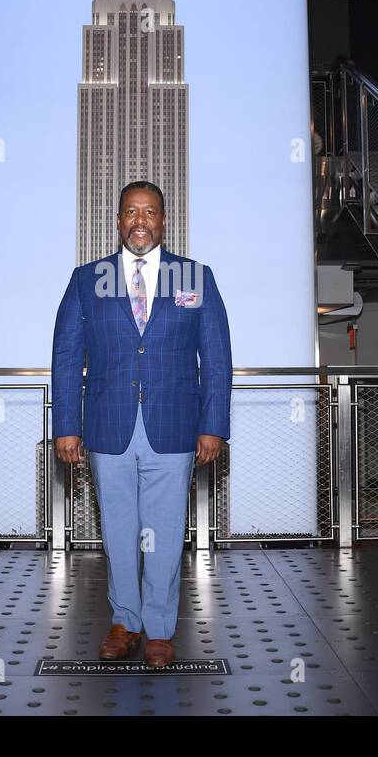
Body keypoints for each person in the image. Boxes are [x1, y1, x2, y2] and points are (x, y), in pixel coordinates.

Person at [51, 181, 233, 667]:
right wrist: (66, 425)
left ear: (163, 221)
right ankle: (124, 621)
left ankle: (158, 629)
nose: (139, 220)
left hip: (174, 428)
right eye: (130, 211)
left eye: (149, 212)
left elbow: (216, 359)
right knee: (119, 531)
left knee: (166, 532)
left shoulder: (196, 278)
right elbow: (67, 358)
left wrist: (213, 424)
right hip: (108, 428)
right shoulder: (86, 280)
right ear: (117, 220)